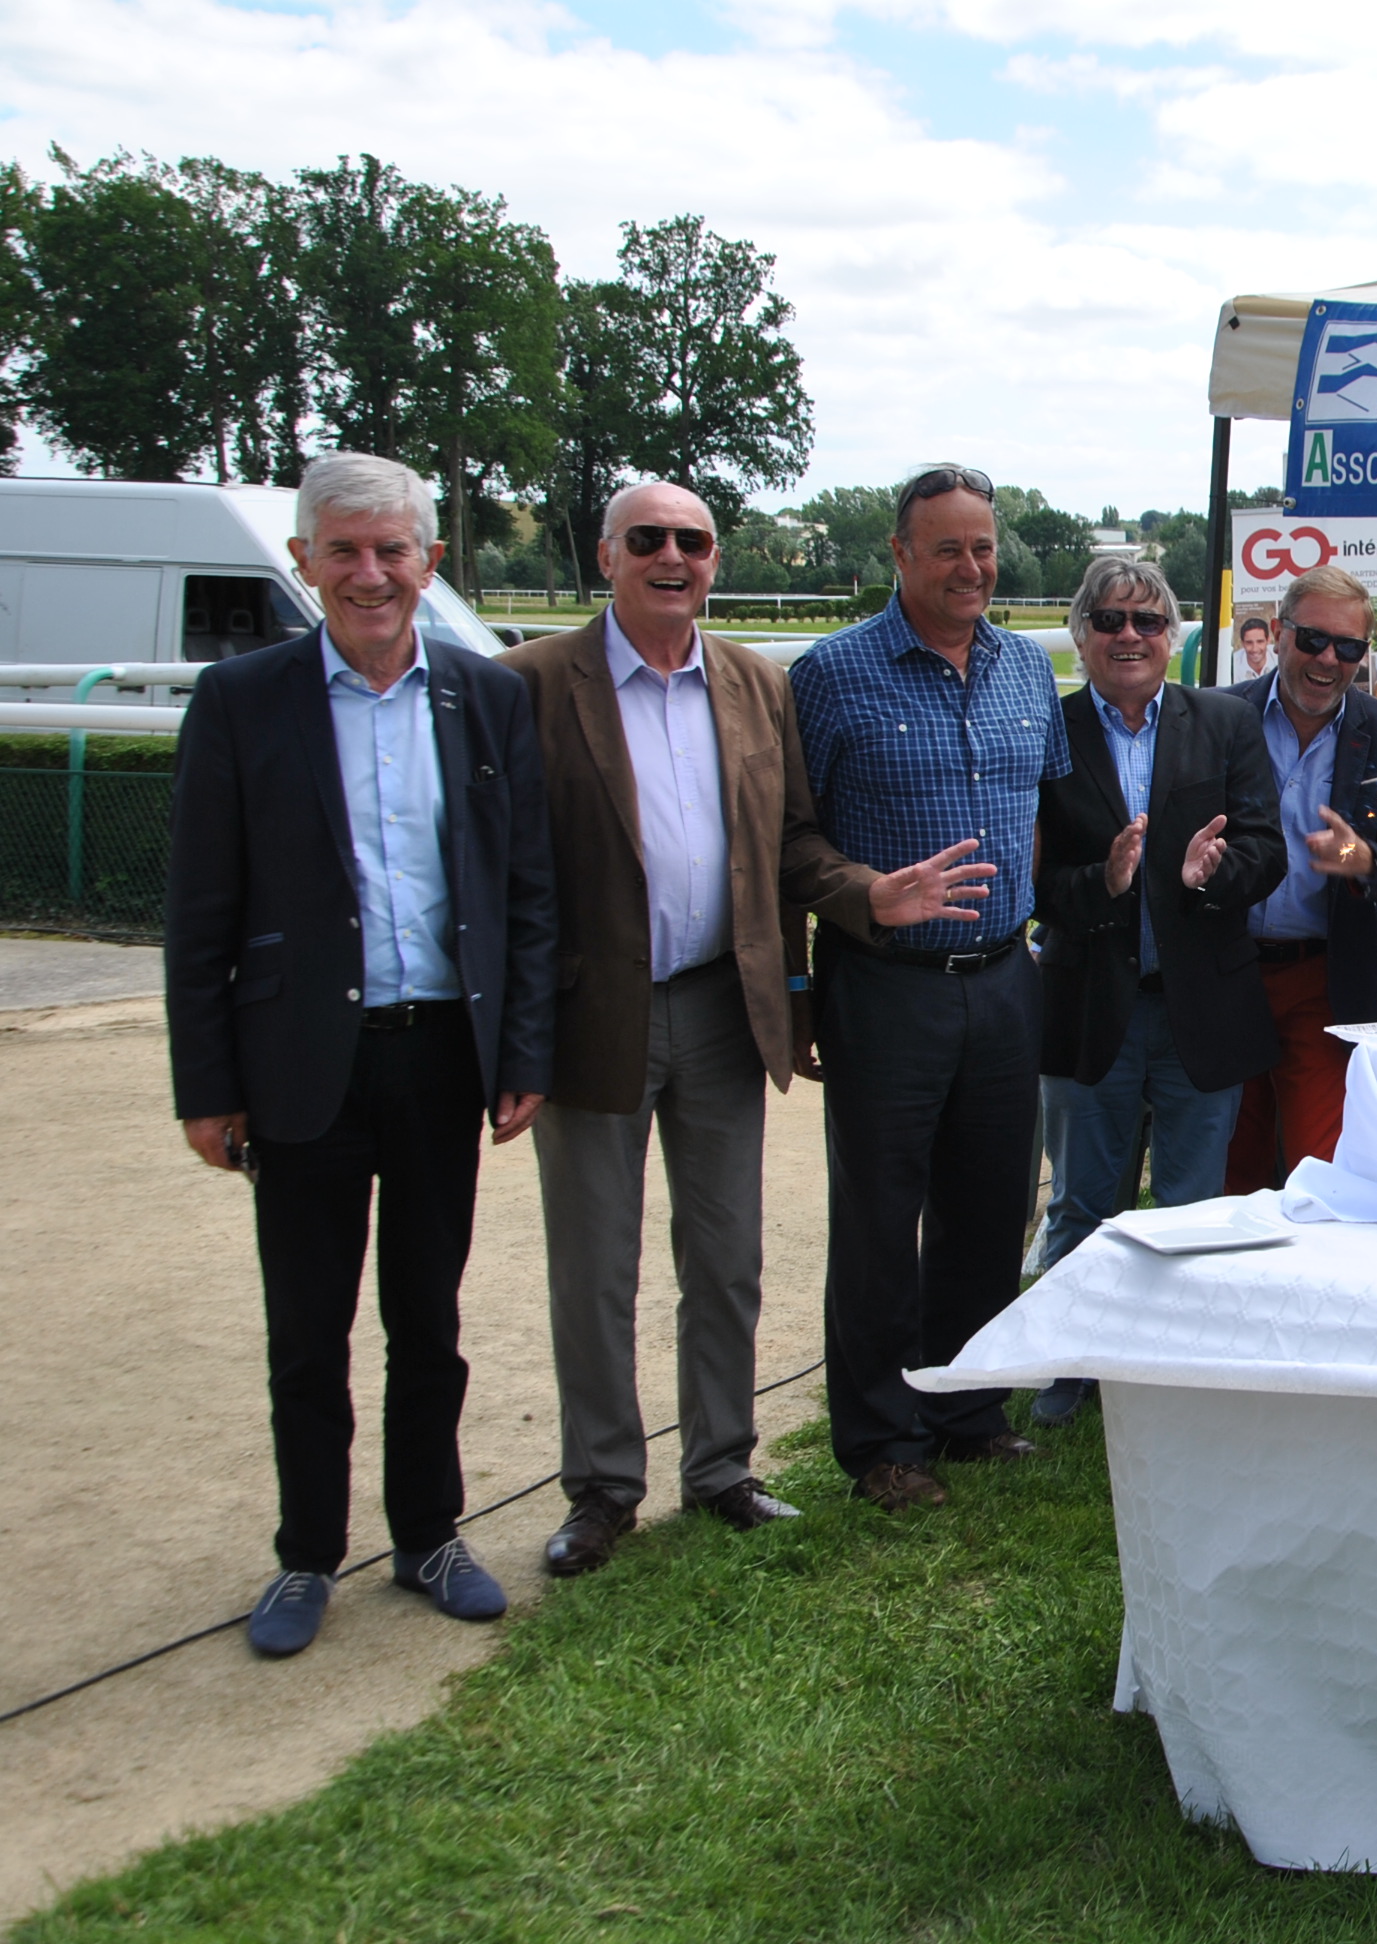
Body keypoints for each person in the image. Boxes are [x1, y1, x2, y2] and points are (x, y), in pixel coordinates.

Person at [505, 480, 991, 1576]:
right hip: (594, 1019)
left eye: (693, 541)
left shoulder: (755, 684)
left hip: (724, 1004)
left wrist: (865, 895)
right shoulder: (529, 683)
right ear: (607, 554)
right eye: (649, 540)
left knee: (724, 1258)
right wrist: (513, 1035)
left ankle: (721, 1467)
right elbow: (504, 878)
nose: (672, 557)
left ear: (714, 559)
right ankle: (602, 1489)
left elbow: (793, 847)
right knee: (596, 1268)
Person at [165, 451, 558, 1658]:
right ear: (303, 563)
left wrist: (520, 1048)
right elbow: (201, 912)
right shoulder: (242, 700)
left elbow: (527, 894)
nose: (370, 573)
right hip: (300, 1066)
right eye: (344, 550)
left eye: (393, 550)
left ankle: (429, 1533)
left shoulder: (486, 699)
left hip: (441, 1053)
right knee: (307, 1331)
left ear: (429, 561)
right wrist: (208, 1085)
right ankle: (306, 1554)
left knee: (425, 1319)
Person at [791, 465, 1065, 1514]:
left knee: (989, 1208)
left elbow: (1037, 804)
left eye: (983, 546)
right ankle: (879, 1442)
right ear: (899, 555)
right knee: (878, 1223)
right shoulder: (829, 673)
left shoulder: (1022, 669)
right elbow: (792, 835)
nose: (971, 567)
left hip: (1002, 977)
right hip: (885, 985)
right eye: (946, 547)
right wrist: (868, 893)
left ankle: (966, 1412)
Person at [1029, 559, 1287, 1423]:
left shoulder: (1222, 723)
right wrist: (1100, 881)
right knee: (1080, 1204)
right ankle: (1070, 1371)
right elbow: (1035, 884)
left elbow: (1265, 850)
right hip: (1087, 1007)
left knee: (1191, 1210)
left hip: (1198, 1015)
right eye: (1108, 620)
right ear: (1081, 636)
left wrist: (1212, 874)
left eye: (1146, 620)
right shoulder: (1050, 731)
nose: (1128, 635)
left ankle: (1177, 1378)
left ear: (1172, 636)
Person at [1223, 562, 1377, 1191]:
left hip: (1322, 977)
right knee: (1231, 1163)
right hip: (1225, 971)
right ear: (1280, 633)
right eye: (1314, 639)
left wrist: (1364, 860)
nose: (1328, 660)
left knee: (1322, 1165)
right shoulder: (1217, 716)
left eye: (1347, 647)